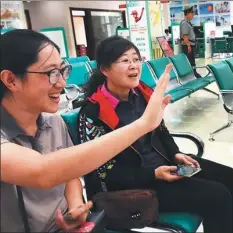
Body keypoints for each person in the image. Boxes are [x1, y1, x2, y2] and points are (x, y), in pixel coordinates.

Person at [0, 29, 172, 232]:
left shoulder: (53, 123)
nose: (62, 84)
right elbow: (43, 171)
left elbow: (70, 173)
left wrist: (75, 207)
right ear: (11, 80)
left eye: (62, 71)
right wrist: (143, 125)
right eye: (51, 73)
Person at [78, 35, 233, 233]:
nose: (134, 66)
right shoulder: (94, 113)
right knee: (217, 196)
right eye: (125, 60)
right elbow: (103, 176)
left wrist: (175, 153)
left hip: (164, 166)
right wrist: (153, 174)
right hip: (134, 185)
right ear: (105, 69)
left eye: (136, 59)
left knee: (232, 177)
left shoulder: (142, 95)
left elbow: (161, 130)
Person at [180, 5, 202, 78]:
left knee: (192, 61)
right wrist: (188, 45)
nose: (193, 14)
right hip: (187, 45)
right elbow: (185, 35)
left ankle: (194, 73)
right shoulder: (184, 23)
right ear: (187, 14)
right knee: (189, 61)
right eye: (191, 13)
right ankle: (192, 75)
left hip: (190, 45)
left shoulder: (188, 23)